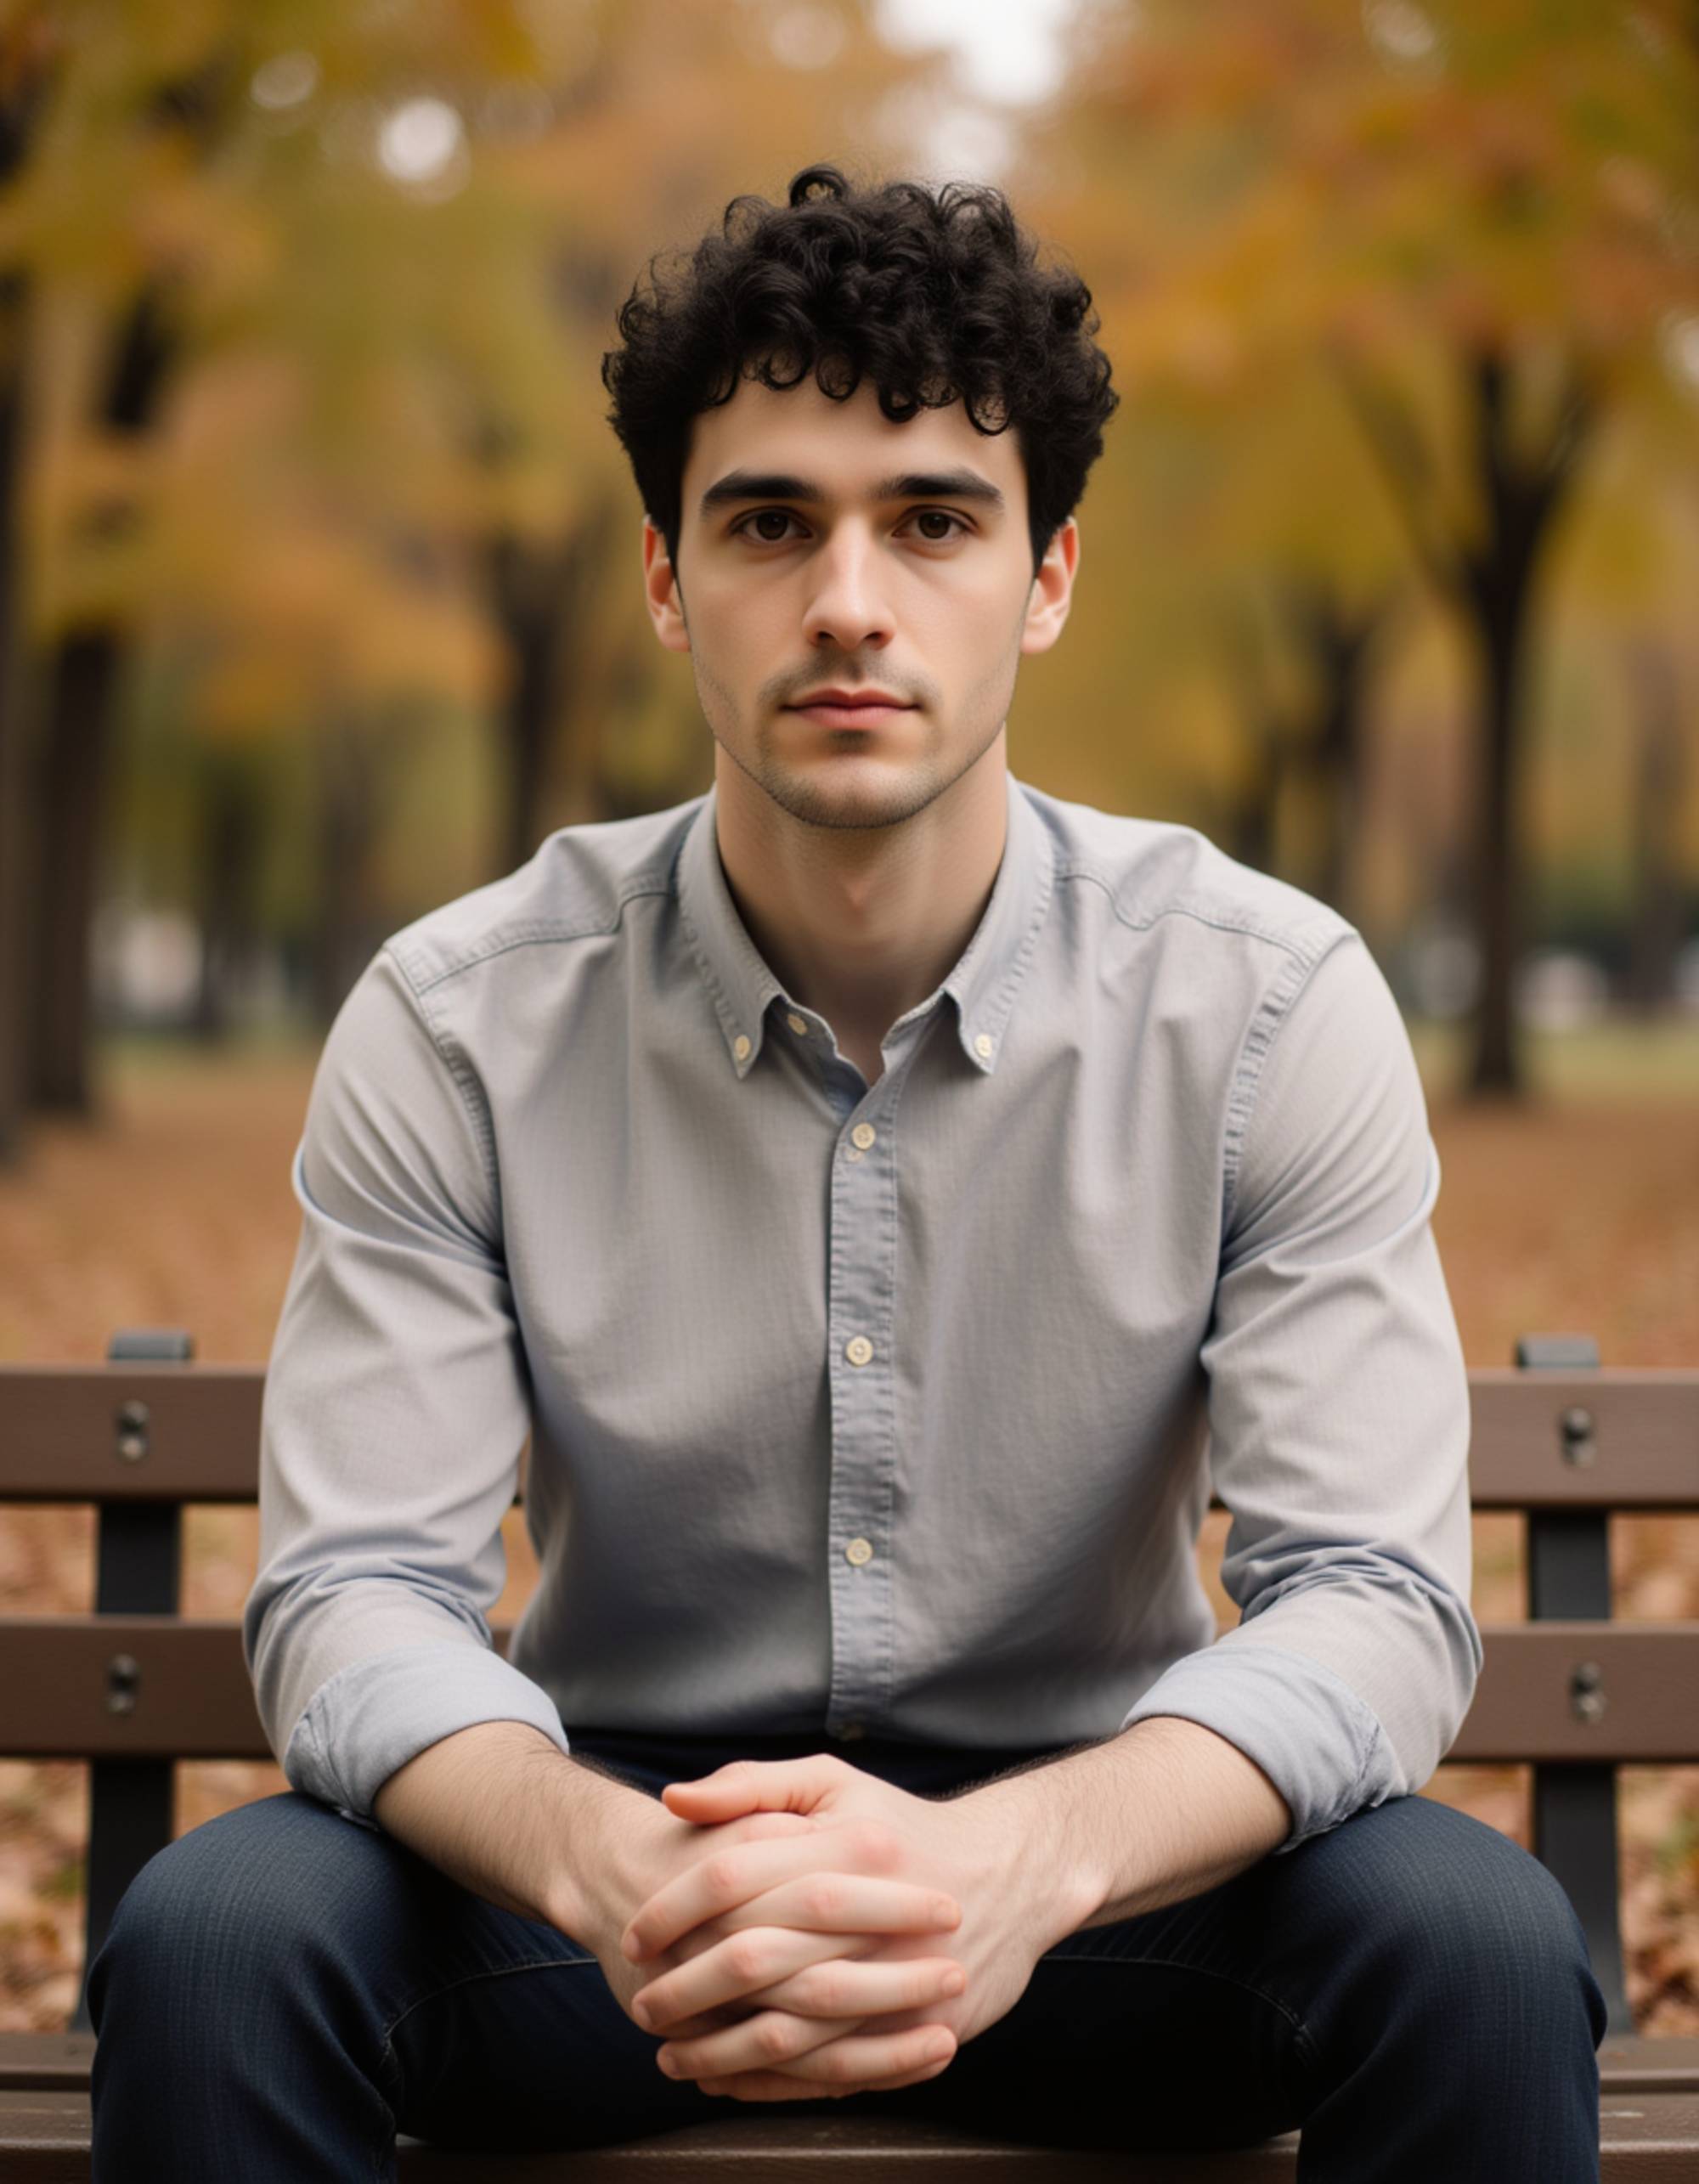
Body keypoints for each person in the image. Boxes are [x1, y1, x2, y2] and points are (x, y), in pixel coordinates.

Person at [87, 161, 1606, 2181]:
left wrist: (1019, 1859)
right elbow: (361, 1589)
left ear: (1047, 576)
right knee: (215, 1937)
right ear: (663, 574)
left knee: (1478, 1944)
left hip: (1112, 1887)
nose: (849, 602)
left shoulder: (1260, 1005)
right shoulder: (460, 1021)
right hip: (625, 1898)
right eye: (771, 522)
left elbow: (1376, 1602)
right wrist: (610, 1861)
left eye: (936, 521)